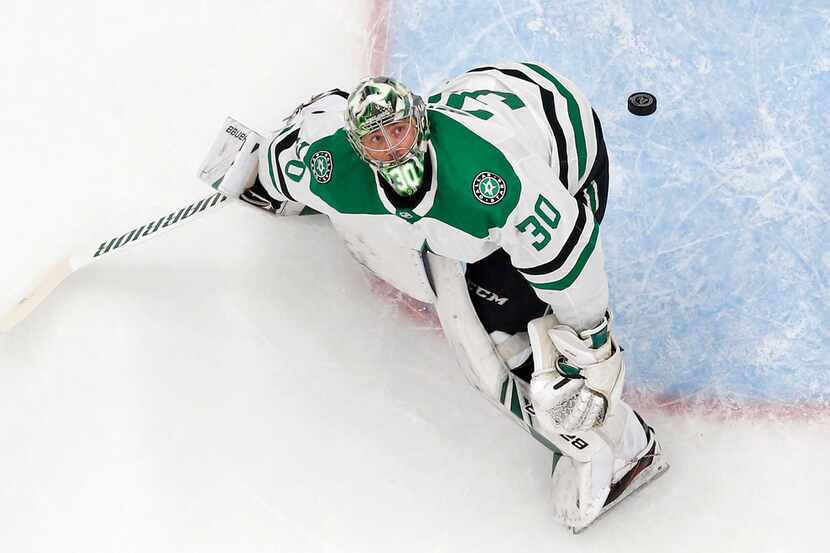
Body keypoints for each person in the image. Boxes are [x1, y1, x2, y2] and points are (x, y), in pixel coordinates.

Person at [199, 62, 668, 532]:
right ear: (357, 147)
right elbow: (289, 159)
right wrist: (256, 172)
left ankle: (629, 447)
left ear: (421, 123)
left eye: (399, 131)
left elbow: (573, 263)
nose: (393, 150)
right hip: (482, 99)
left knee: (506, 332)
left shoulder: (496, 182)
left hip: (565, 158)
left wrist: (591, 355)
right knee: (398, 243)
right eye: (376, 141)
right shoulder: (331, 163)